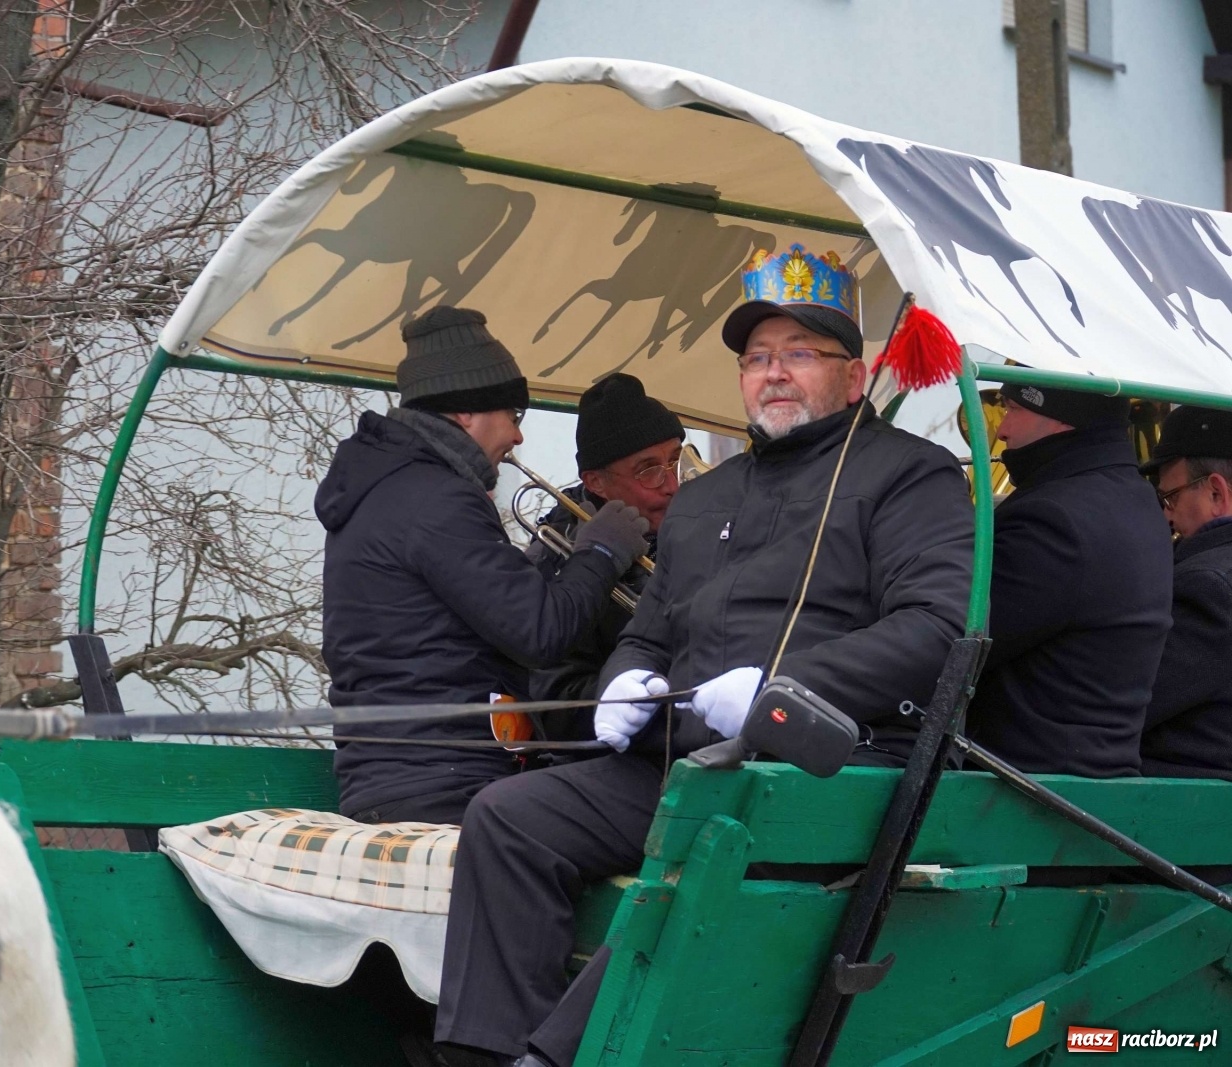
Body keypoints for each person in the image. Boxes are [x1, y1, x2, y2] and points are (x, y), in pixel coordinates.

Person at [430, 246, 975, 1067]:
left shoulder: (912, 477)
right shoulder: (705, 499)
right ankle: (482, 1055)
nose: (773, 373)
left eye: (800, 353)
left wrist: (784, 689)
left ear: (855, 377)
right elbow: (650, 629)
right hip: (680, 757)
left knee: (705, 831)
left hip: (822, 767)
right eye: (757, 358)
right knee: (509, 818)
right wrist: (626, 682)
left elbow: (937, 627)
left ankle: (554, 1058)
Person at [314, 305, 650, 826]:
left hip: (406, 775)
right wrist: (601, 551)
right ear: (466, 412)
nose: (518, 437)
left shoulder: (387, 490)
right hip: (443, 780)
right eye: (513, 417)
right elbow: (539, 633)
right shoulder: (436, 498)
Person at [963, 385, 1173, 777]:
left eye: (1012, 409)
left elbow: (959, 642)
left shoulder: (1053, 517)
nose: (1003, 429)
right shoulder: (1136, 499)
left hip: (1018, 782)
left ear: (1061, 416)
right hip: (1085, 772)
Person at [526, 374, 684, 738]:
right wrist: (662, 698)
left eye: (676, 460)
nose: (673, 484)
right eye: (649, 471)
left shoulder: (696, 524)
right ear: (595, 482)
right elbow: (554, 698)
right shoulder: (554, 559)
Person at [1139, 406, 1232, 779]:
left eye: (1170, 497)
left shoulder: (1208, 587)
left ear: (1215, 492)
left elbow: (1130, 706)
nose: (1166, 516)